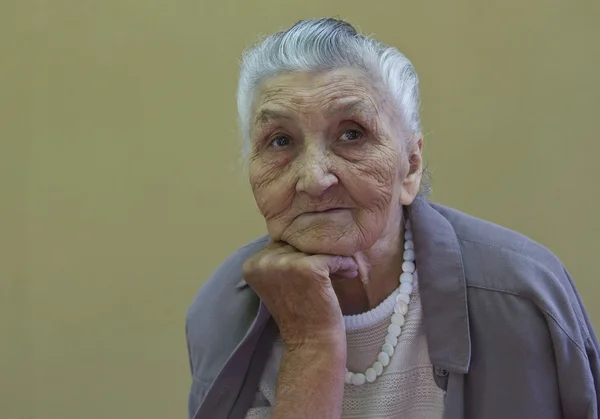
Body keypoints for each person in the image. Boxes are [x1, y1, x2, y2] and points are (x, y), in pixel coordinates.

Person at [185, 18, 600, 419]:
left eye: (352, 134)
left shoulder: (521, 298)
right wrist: (310, 344)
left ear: (412, 166)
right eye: (280, 140)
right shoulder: (222, 311)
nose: (313, 179)